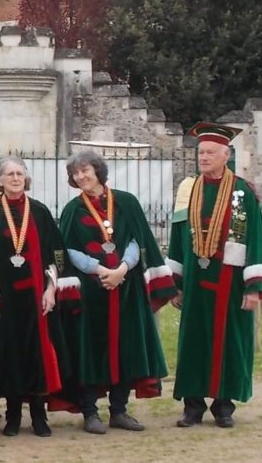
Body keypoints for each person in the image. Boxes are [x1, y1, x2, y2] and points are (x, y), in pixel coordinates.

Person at [59, 150, 176, 435]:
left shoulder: (126, 202)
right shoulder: (73, 209)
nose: (81, 176)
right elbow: (68, 250)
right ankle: (90, 412)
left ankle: (119, 410)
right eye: (76, 173)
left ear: (98, 170)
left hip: (126, 288)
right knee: (91, 349)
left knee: (125, 348)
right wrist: (101, 271)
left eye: (85, 170)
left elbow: (138, 240)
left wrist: (122, 269)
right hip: (91, 291)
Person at [167, 123, 262, 428]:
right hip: (196, 282)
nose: (204, 157)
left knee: (229, 341)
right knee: (193, 341)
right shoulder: (188, 190)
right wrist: (175, 282)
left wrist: (254, 288)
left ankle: (223, 405)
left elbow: (256, 239)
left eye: (211, 152)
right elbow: (177, 237)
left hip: (230, 282)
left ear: (226, 155)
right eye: (201, 152)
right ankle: (192, 405)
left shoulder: (242, 191)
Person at [0, 156, 71, 437]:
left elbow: (57, 253)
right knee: (9, 354)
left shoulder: (39, 211)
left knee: (37, 353)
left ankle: (39, 415)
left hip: (36, 297)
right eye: (10, 174)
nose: (15, 178)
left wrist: (51, 288)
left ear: (26, 179)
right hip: (3, 299)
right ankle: (13, 414)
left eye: (20, 173)